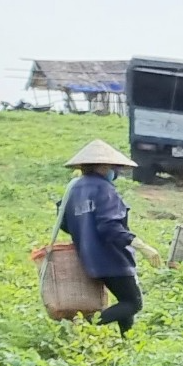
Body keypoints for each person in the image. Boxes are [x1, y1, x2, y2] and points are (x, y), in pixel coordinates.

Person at [55, 140, 143, 333]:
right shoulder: (104, 189)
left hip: (88, 258)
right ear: (103, 166)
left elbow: (64, 222)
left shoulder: (74, 189)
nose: (115, 171)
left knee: (124, 302)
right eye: (113, 167)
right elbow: (110, 227)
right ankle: (88, 327)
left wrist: (84, 232)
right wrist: (141, 245)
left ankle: (126, 343)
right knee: (132, 302)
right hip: (112, 258)